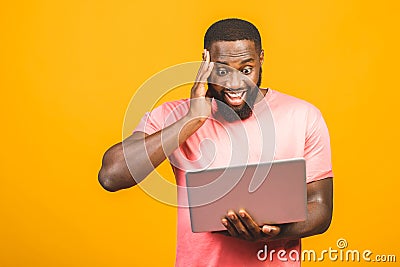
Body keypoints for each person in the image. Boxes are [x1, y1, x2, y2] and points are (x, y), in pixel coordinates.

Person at [98, 18, 333, 266]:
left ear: (261, 59)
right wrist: (192, 119)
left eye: (246, 69)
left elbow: (321, 207)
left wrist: (272, 232)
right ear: (206, 61)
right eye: (222, 71)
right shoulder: (173, 116)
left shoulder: (303, 116)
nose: (234, 84)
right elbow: (111, 176)